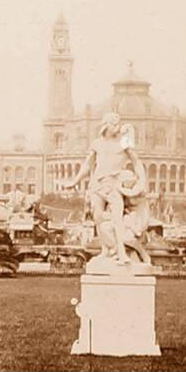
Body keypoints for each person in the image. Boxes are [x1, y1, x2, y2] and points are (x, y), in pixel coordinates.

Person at [57, 112, 146, 264]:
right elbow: (87, 164)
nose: (118, 128)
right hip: (97, 184)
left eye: (119, 124)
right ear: (107, 125)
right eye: (115, 124)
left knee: (117, 219)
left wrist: (141, 180)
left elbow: (136, 162)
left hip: (113, 184)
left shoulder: (123, 142)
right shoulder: (97, 143)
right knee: (98, 218)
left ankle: (122, 253)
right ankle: (106, 251)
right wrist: (75, 180)